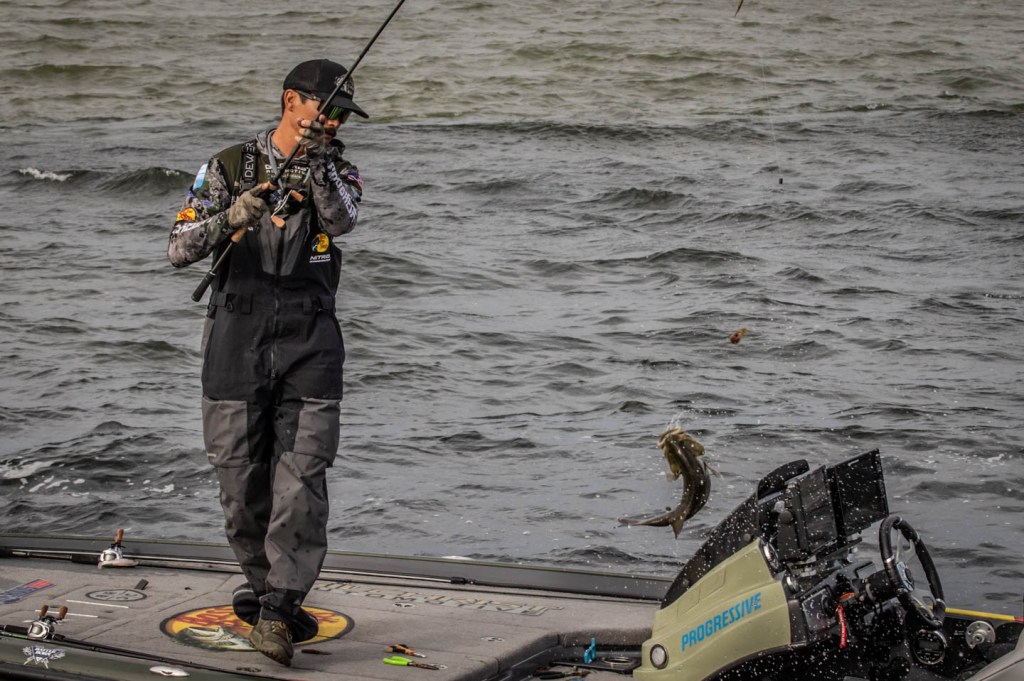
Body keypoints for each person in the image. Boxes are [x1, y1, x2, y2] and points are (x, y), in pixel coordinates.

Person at [167, 58, 367, 667]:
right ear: (290, 101)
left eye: (341, 115)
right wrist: (231, 216)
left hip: (311, 337)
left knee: (303, 478)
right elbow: (177, 247)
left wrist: (319, 163)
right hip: (236, 334)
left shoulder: (341, 170)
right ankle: (264, 591)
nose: (333, 122)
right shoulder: (227, 166)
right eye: (325, 110)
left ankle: (279, 609)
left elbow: (344, 221)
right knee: (239, 483)